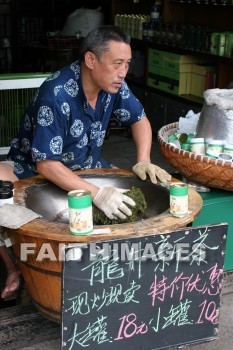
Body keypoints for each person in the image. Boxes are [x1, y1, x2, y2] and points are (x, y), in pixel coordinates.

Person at [0, 25, 171, 295]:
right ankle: (14, 270)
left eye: (127, 64)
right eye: (117, 63)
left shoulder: (115, 86)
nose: (123, 72)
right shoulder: (55, 95)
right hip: (35, 170)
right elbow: (46, 164)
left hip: (88, 167)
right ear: (91, 60)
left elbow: (139, 119)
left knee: (139, 200)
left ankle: (122, 272)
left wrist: (142, 160)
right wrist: (98, 193)